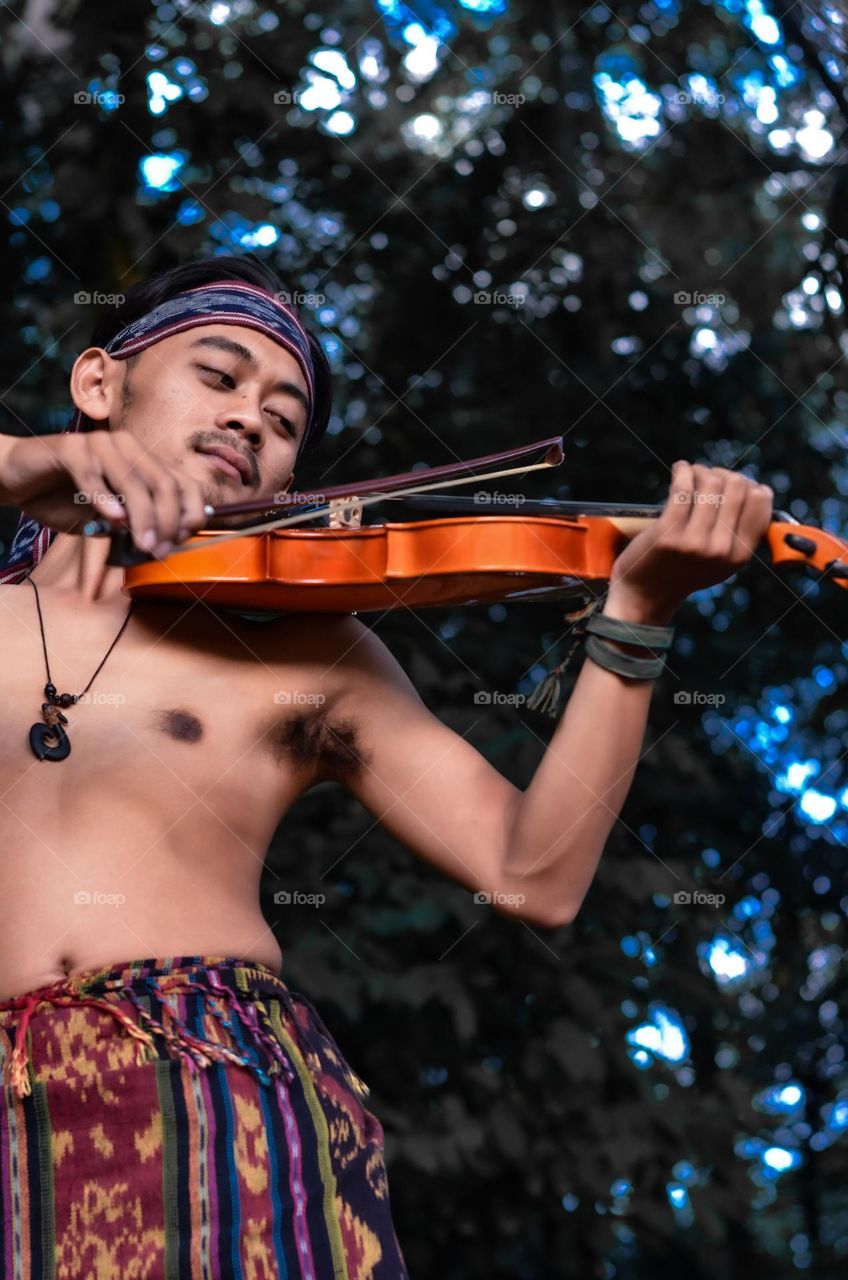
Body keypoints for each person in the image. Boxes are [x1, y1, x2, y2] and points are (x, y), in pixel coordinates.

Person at [0, 253, 774, 1278]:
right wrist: (23, 459)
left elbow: (533, 873)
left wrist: (636, 615)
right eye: (218, 377)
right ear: (98, 384)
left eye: (283, 424)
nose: (249, 423)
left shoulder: (309, 651)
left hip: (211, 1094)